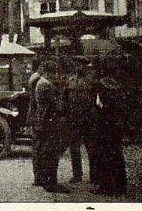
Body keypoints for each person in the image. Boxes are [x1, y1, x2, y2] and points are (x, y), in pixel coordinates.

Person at [91, 62, 127, 195]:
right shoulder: (116, 85)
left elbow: (99, 105)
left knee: (104, 155)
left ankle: (106, 186)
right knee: (117, 154)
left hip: (104, 125)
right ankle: (120, 185)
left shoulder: (101, 85)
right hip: (116, 125)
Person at [34, 60, 69, 193]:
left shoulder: (41, 82)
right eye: (55, 72)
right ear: (51, 72)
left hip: (43, 120)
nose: (56, 76)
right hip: (49, 121)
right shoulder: (46, 85)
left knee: (45, 152)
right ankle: (51, 183)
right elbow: (57, 105)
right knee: (51, 153)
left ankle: (45, 180)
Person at [64, 58, 94, 183]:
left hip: (88, 119)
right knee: (74, 148)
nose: (77, 67)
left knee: (91, 148)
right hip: (74, 119)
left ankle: (94, 175)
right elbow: (65, 99)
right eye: (75, 65)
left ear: (84, 66)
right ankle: (77, 175)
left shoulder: (91, 80)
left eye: (79, 65)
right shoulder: (70, 80)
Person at [26, 60, 43, 186]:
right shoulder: (38, 80)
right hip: (39, 117)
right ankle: (39, 177)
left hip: (35, 116)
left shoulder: (34, 78)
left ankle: (38, 177)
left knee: (37, 148)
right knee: (39, 148)